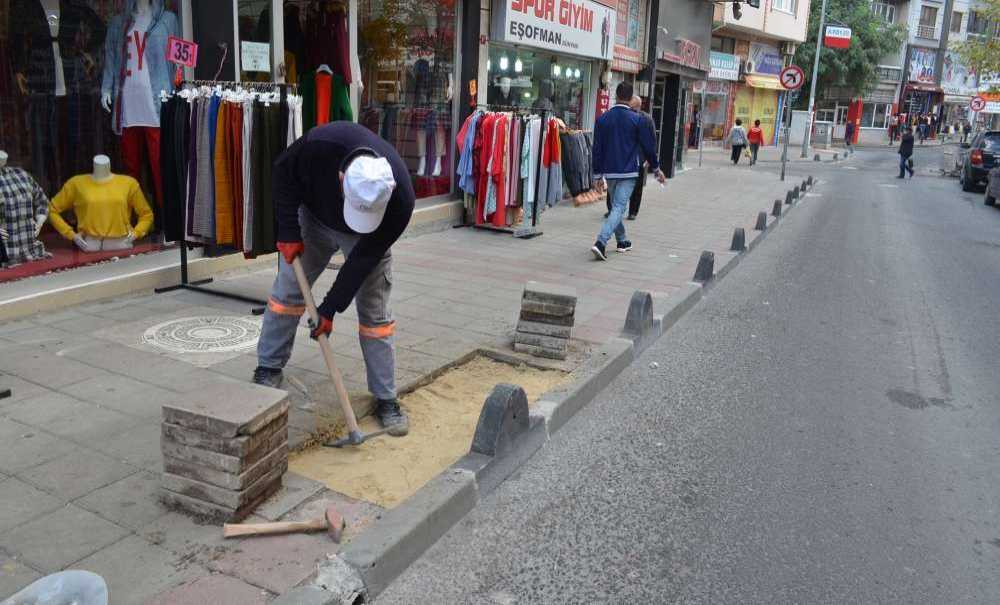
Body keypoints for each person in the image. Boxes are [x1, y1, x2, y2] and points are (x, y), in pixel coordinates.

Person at [252, 121, 415, 436]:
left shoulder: (401, 199)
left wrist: (329, 309)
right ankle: (269, 366)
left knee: (375, 314)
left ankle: (386, 398)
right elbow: (282, 174)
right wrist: (287, 231)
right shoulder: (320, 145)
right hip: (314, 219)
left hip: (368, 242)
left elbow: (362, 262)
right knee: (287, 292)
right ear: (342, 178)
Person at [590, 82, 664, 261]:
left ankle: (622, 241)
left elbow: (597, 149)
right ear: (631, 98)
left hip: (610, 171)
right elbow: (648, 146)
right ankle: (601, 242)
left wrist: (597, 175)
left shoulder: (602, 119)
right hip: (629, 171)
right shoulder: (637, 119)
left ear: (616, 95)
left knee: (616, 207)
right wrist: (656, 168)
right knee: (618, 208)